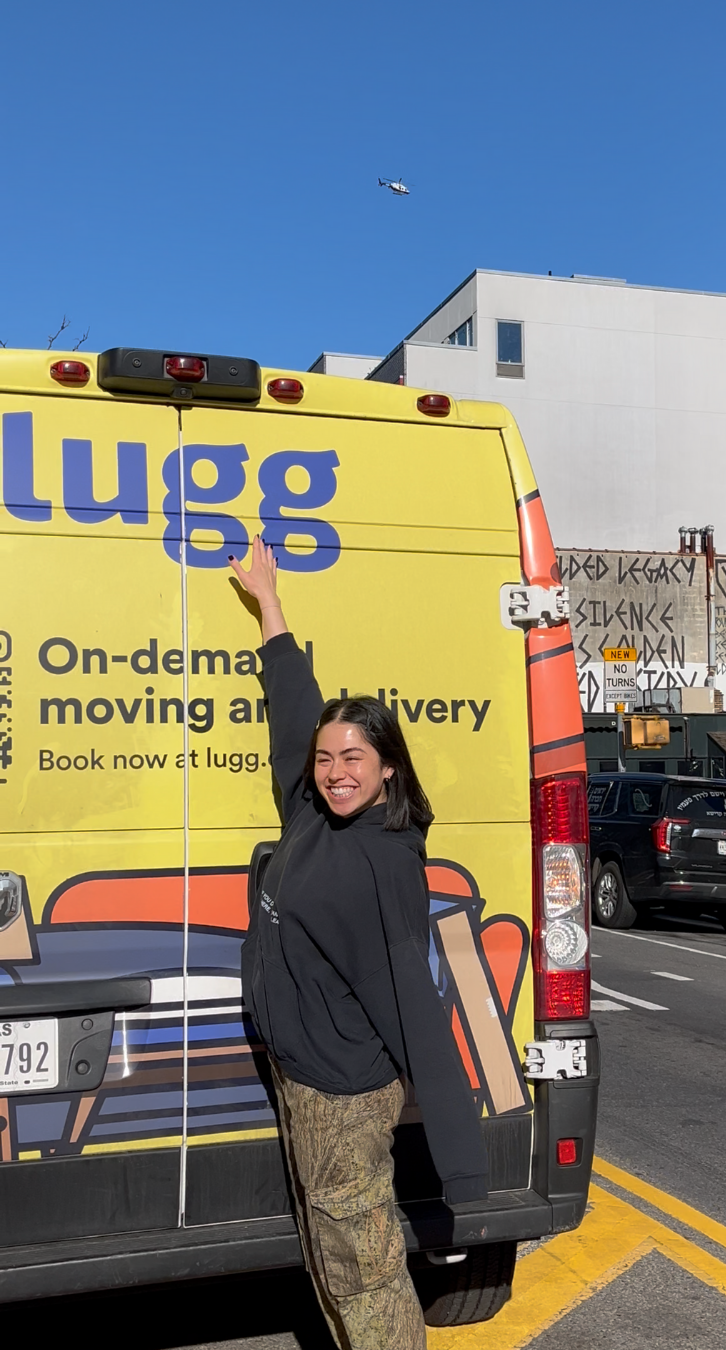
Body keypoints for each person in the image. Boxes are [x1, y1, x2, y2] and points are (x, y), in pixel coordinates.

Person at [228, 536, 488, 1350]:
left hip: (342, 1095)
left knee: (364, 1274)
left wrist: (461, 1161)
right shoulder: (313, 813)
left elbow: (415, 1000)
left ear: (388, 769)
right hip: (305, 1076)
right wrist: (270, 605)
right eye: (327, 759)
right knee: (329, 1256)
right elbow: (294, 712)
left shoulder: (381, 860)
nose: (336, 771)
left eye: (355, 758)